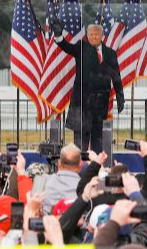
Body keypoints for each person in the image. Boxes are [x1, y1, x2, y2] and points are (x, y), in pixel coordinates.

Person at [51, 19, 124, 153]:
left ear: (102, 36)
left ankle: (95, 165)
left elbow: (116, 77)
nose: (94, 37)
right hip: (81, 104)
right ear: (87, 35)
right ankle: (79, 166)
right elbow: (66, 46)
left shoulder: (110, 53)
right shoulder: (81, 47)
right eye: (91, 34)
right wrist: (58, 35)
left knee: (97, 141)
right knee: (80, 143)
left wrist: (120, 97)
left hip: (100, 104)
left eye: (96, 34)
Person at [43, 144, 83, 214]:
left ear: (59, 163)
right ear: (81, 165)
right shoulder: (87, 189)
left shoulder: (43, 182)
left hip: (49, 223)